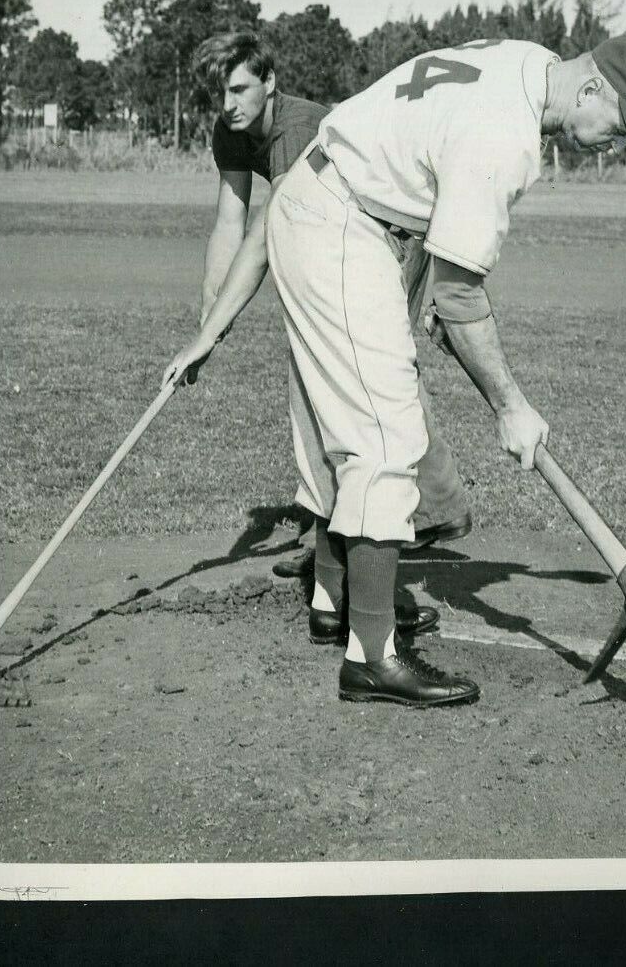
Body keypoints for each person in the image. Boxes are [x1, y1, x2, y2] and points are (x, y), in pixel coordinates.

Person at [195, 33, 626, 707]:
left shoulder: (524, 59)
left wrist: (439, 295)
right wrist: (511, 404)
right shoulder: (506, 134)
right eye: (624, 127)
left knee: (367, 422)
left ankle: (337, 605)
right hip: (339, 220)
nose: (620, 144)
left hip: (341, 205)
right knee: (385, 435)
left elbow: (428, 182)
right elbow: (460, 295)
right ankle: (370, 657)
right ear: (593, 88)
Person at [159, 31, 474, 649]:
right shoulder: (232, 129)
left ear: (269, 81)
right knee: (323, 388)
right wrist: (205, 326)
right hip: (329, 246)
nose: (228, 103)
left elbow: (266, 234)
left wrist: (213, 332)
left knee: (371, 392)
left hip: (389, 243)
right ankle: (343, 579)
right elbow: (229, 221)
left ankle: (429, 518)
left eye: (240, 88)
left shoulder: (299, 125)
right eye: (219, 92)